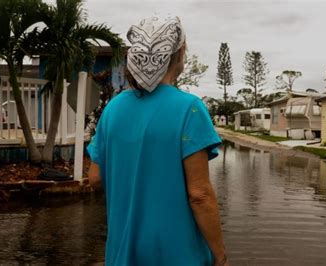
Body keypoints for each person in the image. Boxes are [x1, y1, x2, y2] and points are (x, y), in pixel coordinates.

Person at [87, 15, 227, 266]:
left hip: (122, 254)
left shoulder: (113, 109)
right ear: (178, 55)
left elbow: (95, 178)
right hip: (178, 256)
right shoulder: (190, 108)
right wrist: (220, 256)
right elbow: (199, 194)